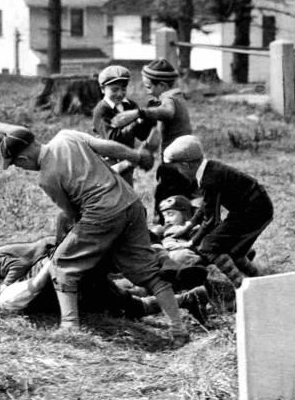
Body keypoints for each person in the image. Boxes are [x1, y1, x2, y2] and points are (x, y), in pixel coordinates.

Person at [0, 124, 191, 346]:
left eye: (16, 164)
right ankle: (179, 330)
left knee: (61, 264)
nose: (21, 167)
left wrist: (83, 245)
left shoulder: (46, 178)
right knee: (148, 273)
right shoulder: (66, 135)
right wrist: (136, 156)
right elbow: (109, 148)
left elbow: (73, 214)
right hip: (131, 203)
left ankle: (70, 329)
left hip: (101, 213)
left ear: (23, 159)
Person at [0, 235, 209, 324]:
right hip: (78, 285)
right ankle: (187, 291)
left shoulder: (6, 292)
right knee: (130, 301)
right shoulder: (6, 298)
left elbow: (37, 282)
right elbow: (36, 284)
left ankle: (187, 291)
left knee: (133, 304)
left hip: (79, 285)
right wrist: (54, 260)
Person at [161, 135, 273, 286]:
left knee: (209, 247)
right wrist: (188, 225)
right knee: (230, 248)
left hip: (255, 211)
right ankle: (259, 281)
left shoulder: (210, 179)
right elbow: (207, 204)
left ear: (186, 165)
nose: (178, 173)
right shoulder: (209, 169)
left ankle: (241, 286)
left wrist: (191, 243)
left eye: (178, 169)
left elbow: (211, 220)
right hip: (248, 208)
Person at [109, 58, 194, 221]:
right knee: (179, 200)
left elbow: (167, 112)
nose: (147, 91)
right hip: (180, 164)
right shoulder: (172, 99)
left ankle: (163, 229)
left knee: (166, 202)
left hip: (176, 165)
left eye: (149, 87)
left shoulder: (170, 100)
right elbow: (156, 134)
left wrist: (139, 113)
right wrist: (143, 153)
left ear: (162, 85)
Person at [91, 65, 151, 185]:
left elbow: (142, 135)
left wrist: (147, 120)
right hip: (108, 160)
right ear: (103, 89)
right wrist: (135, 122)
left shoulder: (130, 106)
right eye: (114, 90)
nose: (119, 94)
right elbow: (111, 138)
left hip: (126, 157)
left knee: (127, 189)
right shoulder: (102, 110)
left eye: (123, 89)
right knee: (111, 191)